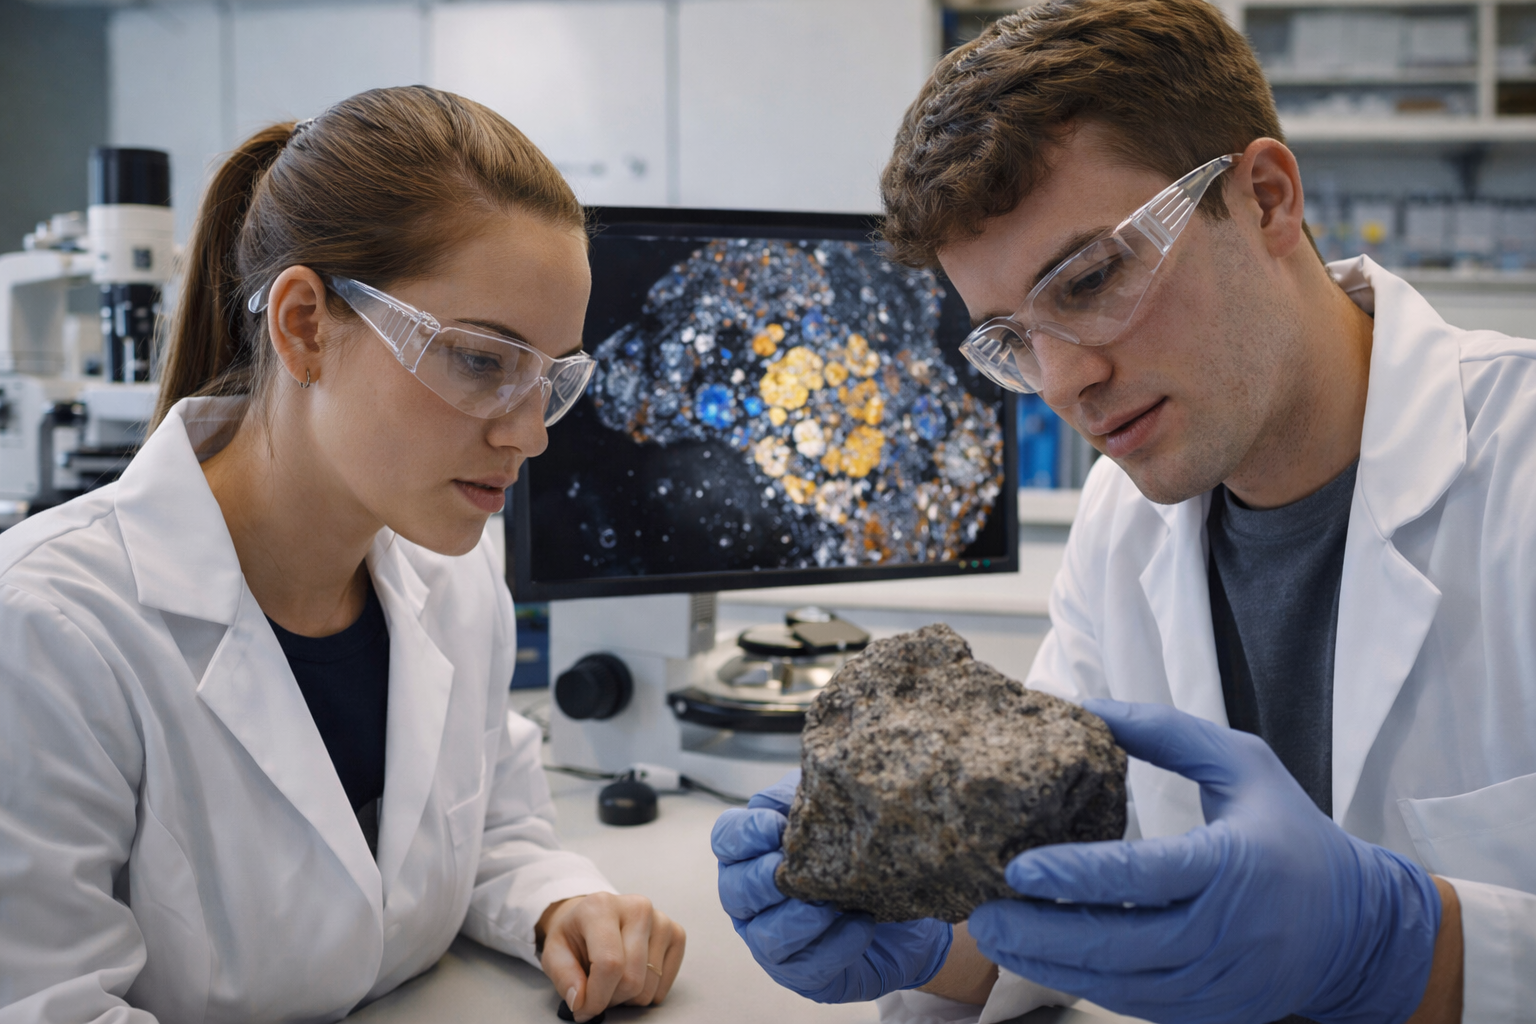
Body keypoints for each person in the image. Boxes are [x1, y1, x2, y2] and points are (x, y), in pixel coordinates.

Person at [712, 1, 1536, 1022]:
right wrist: (935, 937)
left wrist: (1407, 947)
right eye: (1011, 337)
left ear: (1268, 198)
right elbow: (1084, 906)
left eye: (1093, 276)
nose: (1063, 380)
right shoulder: (1123, 517)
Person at [0, 86, 682, 1024]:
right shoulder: (50, 630)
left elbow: (488, 825)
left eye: (552, 379)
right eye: (484, 361)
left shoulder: (453, 572)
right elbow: (47, 1004)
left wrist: (559, 901)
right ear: (306, 326)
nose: (530, 436)